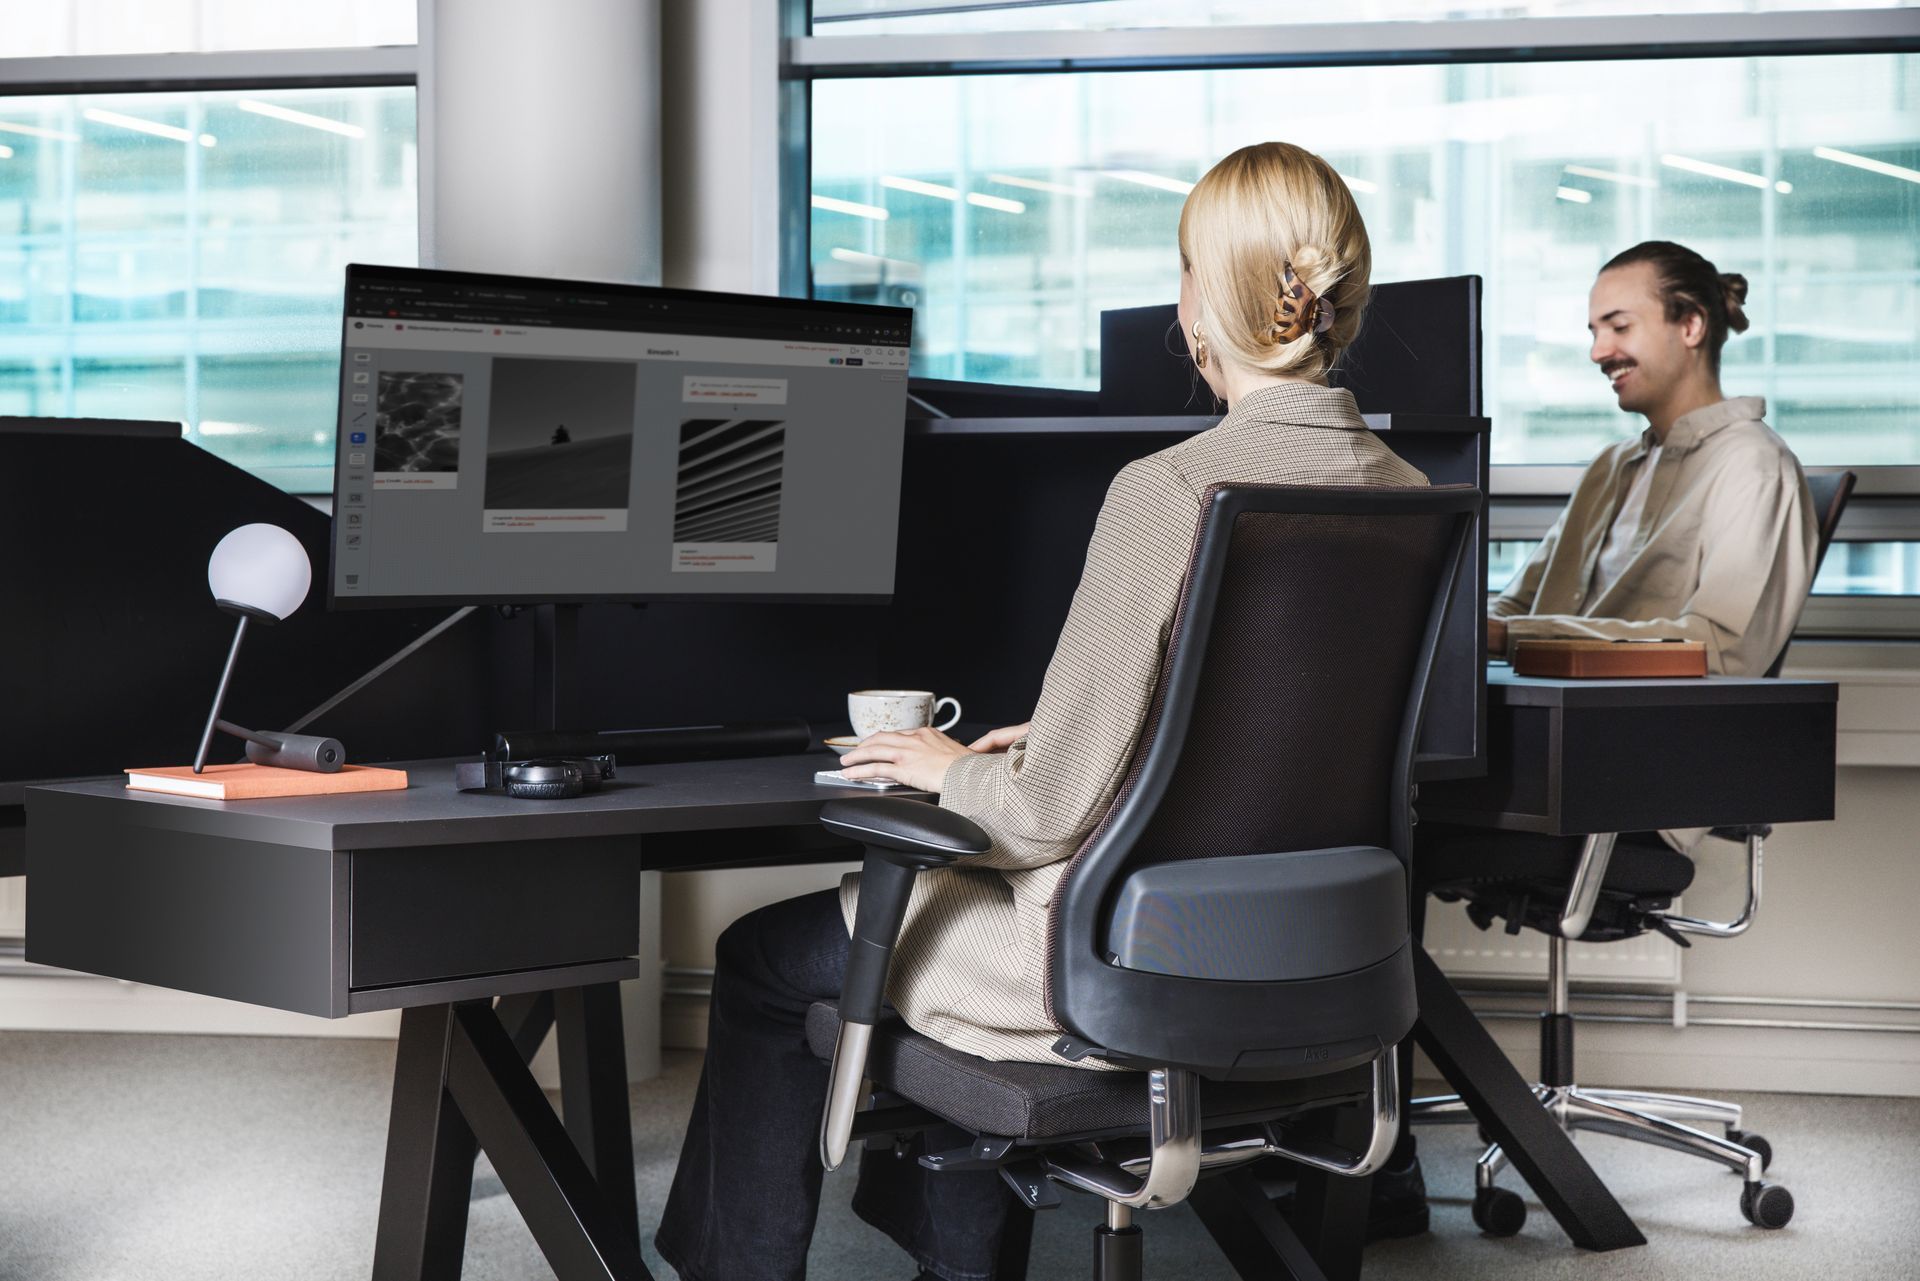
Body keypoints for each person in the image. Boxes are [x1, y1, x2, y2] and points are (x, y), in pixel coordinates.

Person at [653, 141, 1429, 1281]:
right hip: (1319, 949)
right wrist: (1079, 737)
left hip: (1099, 948)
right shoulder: (1404, 496)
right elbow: (1260, 735)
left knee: (767, 959)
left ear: (1204, 301)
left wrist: (943, 765)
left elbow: (1041, 820)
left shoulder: (1167, 492)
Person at [1489, 241, 1818, 684]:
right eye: (1593, 332)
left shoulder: (1754, 466)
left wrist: (1512, 636)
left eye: (1619, 327)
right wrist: (1471, 630)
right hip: (1547, 711)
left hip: (1643, 730)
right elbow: (1517, 604)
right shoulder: (1611, 465)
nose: (1598, 352)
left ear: (1690, 326)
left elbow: (1721, 649)